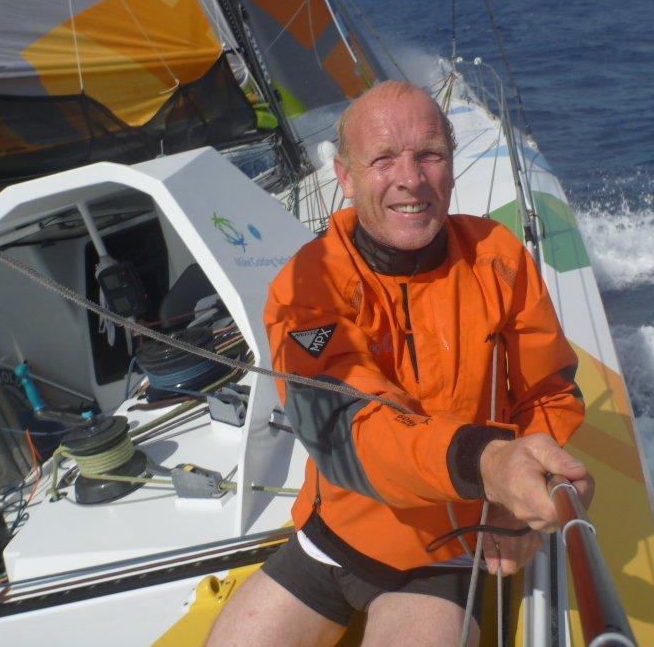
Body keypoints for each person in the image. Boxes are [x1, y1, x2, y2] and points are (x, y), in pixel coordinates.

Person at [206, 81, 592, 646]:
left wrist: (525, 490)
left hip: (444, 552)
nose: (410, 179)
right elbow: (351, 428)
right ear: (346, 176)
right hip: (331, 533)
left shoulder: (499, 257)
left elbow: (549, 392)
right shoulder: (307, 286)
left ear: (452, 167)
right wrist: (488, 463)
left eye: (429, 154)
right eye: (383, 159)